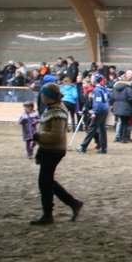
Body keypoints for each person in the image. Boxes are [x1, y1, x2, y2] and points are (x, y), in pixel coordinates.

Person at [29, 82, 83, 225]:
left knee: (45, 182)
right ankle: (72, 203)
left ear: (48, 96)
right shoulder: (53, 109)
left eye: (43, 93)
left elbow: (56, 135)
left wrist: (38, 137)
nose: (41, 95)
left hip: (53, 150)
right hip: (49, 149)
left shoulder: (57, 112)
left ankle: (49, 214)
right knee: (47, 181)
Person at [76, 73, 109, 154]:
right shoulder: (103, 88)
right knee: (102, 129)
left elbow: (98, 103)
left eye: (92, 79)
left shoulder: (96, 90)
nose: (91, 80)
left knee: (92, 129)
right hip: (104, 110)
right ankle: (103, 148)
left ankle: (83, 147)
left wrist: (94, 112)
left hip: (99, 111)